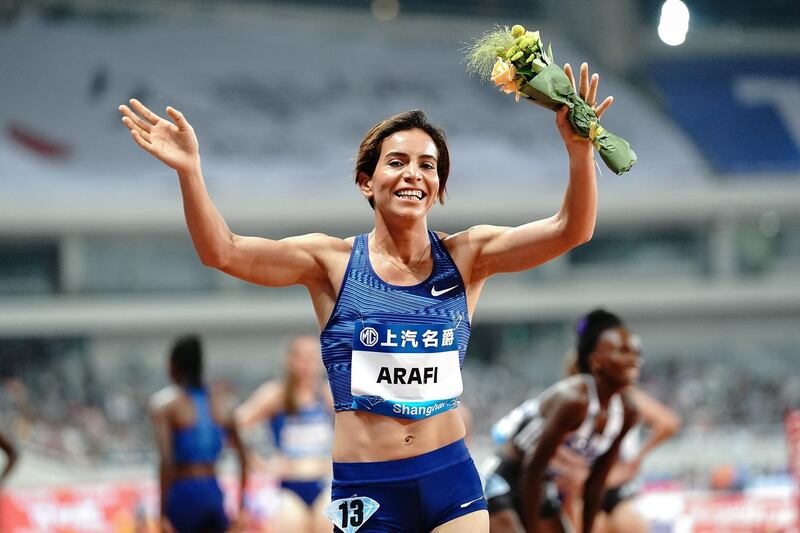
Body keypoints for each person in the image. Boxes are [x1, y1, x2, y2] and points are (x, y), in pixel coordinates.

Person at [120, 61, 613, 533]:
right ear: (366, 183)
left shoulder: (468, 256)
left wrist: (578, 152)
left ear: (438, 187)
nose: (413, 174)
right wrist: (189, 172)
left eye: (428, 165)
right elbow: (222, 252)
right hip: (367, 487)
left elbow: (572, 229)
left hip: (450, 476)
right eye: (396, 162)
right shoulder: (330, 263)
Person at [484, 309, 640, 533]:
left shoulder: (628, 411)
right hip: (506, 477)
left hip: (540, 485)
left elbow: (596, 482)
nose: (634, 360)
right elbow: (531, 470)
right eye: (624, 352)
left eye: (636, 352)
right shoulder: (575, 400)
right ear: (596, 361)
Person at [150, 335, 248, 533]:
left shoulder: (165, 406)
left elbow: (167, 462)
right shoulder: (222, 404)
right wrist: (241, 507)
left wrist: (161, 514)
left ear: (173, 366)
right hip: (213, 491)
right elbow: (244, 458)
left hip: (183, 493)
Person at [236, 335, 334, 533]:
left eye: (313, 357)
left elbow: (356, 428)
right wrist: (257, 462)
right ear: (290, 361)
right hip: (290, 484)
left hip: (324, 482)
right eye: (302, 358)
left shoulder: (327, 393)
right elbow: (235, 425)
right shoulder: (276, 394)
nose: (308, 364)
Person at [593, 387, 681, 533]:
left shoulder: (624, 393)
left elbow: (669, 423)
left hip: (611, 484)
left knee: (624, 523)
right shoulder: (587, 395)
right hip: (597, 484)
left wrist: (637, 458)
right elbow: (668, 423)